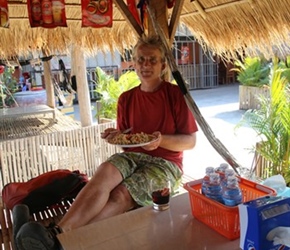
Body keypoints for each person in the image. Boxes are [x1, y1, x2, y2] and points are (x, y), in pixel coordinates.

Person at [15, 35, 198, 250]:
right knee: (104, 173)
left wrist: (160, 140)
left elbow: (190, 142)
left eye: (152, 60)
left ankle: (64, 243)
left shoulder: (175, 95)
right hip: (132, 156)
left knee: (120, 194)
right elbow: (127, 141)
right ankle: (58, 232)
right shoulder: (126, 99)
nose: (145, 65)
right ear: (134, 63)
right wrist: (117, 135)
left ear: (163, 65)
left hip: (166, 164)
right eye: (141, 59)